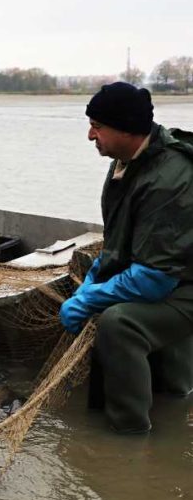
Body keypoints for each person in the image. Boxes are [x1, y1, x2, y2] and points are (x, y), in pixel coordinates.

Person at [60, 82, 193, 433]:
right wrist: (96, 275)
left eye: (97, 126)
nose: (90, 135)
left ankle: (128, 436)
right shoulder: (126, 161)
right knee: (109, 291)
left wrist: (88, 298)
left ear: (127, 129)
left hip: (180, 280)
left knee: (119, 323)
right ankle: (173, 400)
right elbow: (119, 237)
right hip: (173, 272)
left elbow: (153, 279)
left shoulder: (170, 178)